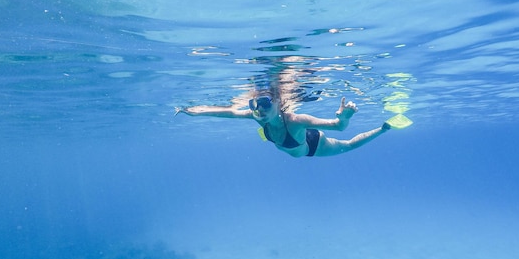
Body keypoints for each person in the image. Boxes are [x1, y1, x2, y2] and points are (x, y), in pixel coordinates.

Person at [174, 94, 405, 158]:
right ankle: (384, 129)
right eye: (254, 103)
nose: (258, 109)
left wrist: (345, 117)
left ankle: (383, 129)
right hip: (295, 141)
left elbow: (338, 127)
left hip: (314, 146)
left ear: (279, 103)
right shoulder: (257, 116)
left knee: (349, 145)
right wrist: (194, 111)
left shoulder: (295, 120)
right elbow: (228, 113)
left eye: (264, 103)